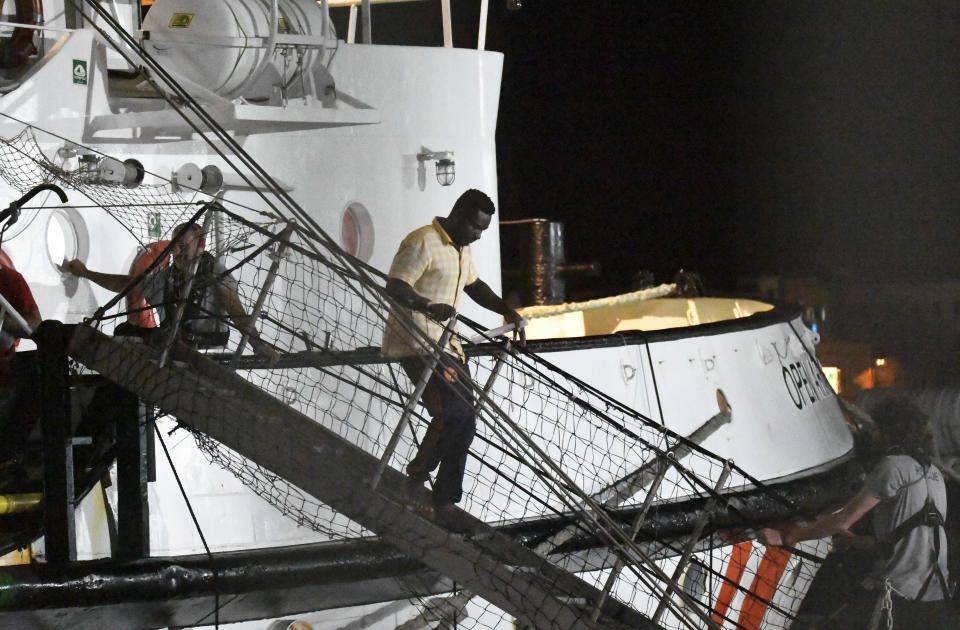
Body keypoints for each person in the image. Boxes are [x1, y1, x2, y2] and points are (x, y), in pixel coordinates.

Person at [382, 189, 525, 512]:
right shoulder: (422, 241)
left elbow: (473, 286)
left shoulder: (461, 249)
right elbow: (395, 285)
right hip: (417, 343)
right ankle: (415, 479)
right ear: (459, 214)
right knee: (450, 414)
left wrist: (507, 310)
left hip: (448, 346)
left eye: (482, 231)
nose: (477, 236)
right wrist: (427, 305)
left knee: (467, 423)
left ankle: (444, 500)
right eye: (475, 228)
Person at [759, 396, 951, 629]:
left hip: (898, 600)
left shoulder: (893, 466)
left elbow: (843, 519)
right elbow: (909, 541)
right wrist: (857, 542)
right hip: (936, 600)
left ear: (888, 430)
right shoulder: (935, 474)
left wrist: (786, 537)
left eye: (877, 429)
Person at [59, 221, 276, 361]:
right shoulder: (167, 278)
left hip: (205, 351)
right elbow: (127, 284)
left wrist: (257, 345)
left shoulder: (215, 274)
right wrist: (87, 274)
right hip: (172, 345)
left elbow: (236, 310)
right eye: (175, 245)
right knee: (124, 331)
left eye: (184, 246)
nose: (177, 251)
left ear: (198, 246)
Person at [0, 263, 42, 465]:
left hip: (4, 370)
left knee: (40, 366)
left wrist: (5, 322)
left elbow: (36, 327)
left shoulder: (11, 280)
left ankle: (9, 453)